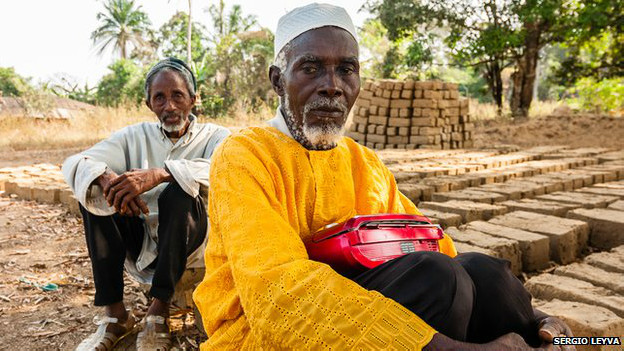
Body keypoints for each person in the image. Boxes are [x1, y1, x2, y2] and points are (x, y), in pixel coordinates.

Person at [192, 3, 574, 351]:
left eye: (346, 70)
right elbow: (279, 295)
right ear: (277, 80)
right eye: (310, 68)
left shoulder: (364, 162)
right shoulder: (244, 155)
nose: (332, 85)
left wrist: (536, 318)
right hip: (262, 332)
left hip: (358, 302)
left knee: (482, 273)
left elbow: (430, 243)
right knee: (439, 279)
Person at [62, 57, 230, 351]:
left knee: (179, 190)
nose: (169, 105)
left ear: (193, 98)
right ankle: (115, 316)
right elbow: (77, 162)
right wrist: (106, 178)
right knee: (96, 190)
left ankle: (158, 311)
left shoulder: (216, 136)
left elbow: (226, 168)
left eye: (177, 95)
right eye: (160, 97)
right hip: (140, 239)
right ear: (149, 104)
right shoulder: (133, 135)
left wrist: (160, 174)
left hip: (192, 240)